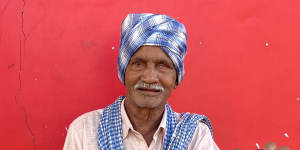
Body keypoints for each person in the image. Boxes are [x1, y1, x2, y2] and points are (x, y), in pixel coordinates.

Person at [63, 13, 219, 150]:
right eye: (138, 64)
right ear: (124, 72)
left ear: (176, 78)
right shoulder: (84, 130)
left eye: (163, 65)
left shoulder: (195, 135)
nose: (150, 77)